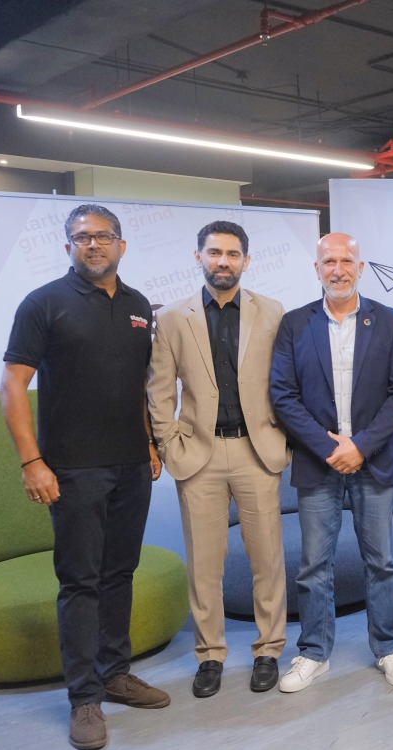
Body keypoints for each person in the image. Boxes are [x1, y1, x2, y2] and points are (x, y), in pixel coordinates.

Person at [1, 203, 169, 750]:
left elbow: (136, 386)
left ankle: (115, 674)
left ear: (121, 244)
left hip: (130, 466)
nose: (92, 245)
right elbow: (13, 388)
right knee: (80, 581)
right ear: (68, 246)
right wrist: (33, 461)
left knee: (120, 572)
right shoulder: (43, 304)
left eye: (102, 236)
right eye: (81, 238)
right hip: (72, 469)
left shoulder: (141, 306)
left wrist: (148, 443)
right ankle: (84, 697)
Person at [147, 220, 290, 699]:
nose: (223, 261)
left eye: (232, 254)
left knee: (266, 559)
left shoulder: (272, 313)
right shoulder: (171, 318)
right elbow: (159, 390)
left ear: (246, 260)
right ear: (199, 257)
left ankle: (269, 649)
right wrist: (169, 445)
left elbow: (287, 385)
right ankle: (210, 655)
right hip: (199, 455)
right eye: (214, 253)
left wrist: (283, 439)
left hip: (256, 450)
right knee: (205, 564)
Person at [269, 232, 393, 691]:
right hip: (318, 463)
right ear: (317, 269)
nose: (338, 268)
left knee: (382, 563)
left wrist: (361, 445)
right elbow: (283, 395)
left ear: (360, 266)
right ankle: (314, 653)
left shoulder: (389, 321)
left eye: (346, 260)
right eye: (328, 261)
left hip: (374, 461)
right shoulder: (294, 324)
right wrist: (330, 447)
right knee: (314, 564)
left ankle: (389, 648)